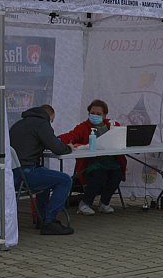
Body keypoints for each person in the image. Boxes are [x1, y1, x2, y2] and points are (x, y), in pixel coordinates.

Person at [8, 105, 75, 235]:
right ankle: (50, 221)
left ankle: (41, 219)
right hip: (25, 174)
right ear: (49, 116)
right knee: (64, 180)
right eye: (51, 120)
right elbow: (58, 148)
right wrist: (69, 147)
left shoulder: (19, 124)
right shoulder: (41, 123)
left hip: (12, 174)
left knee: (45, 178)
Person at [58, 100, 126, 216]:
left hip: (111, 161)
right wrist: (56, 140)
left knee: (117, 173)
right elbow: (71, 136)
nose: (95, 116)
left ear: (105, 115)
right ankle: (84, 204)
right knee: (100, 173)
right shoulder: (84, 127)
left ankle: (104, 203)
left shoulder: (113, 125)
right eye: (92, 113)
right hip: (90, 163)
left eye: (98, 114)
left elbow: (123, 137)